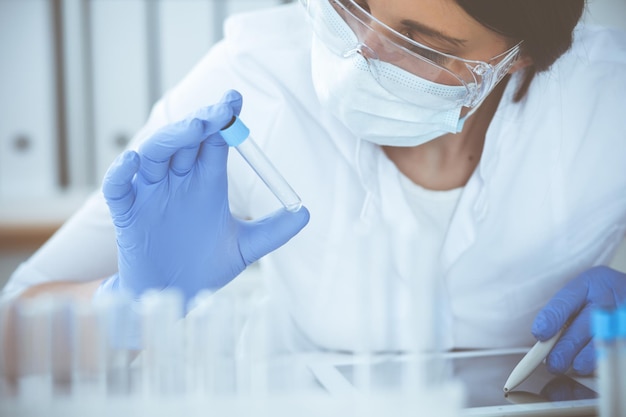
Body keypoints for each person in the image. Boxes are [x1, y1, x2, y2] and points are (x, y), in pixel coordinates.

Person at [3, 0, 626, 376]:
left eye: (419, 42)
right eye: (352, 4)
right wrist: (130, 303)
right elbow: (13, 334)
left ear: (517, 58)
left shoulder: (608, 98)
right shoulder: (251, 82)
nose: (358, 54)